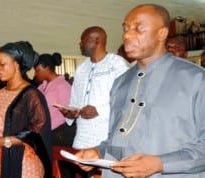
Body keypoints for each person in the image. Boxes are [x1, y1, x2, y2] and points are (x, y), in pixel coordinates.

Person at [75, 4, 205, 178]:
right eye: (126, 29)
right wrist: (99, 151)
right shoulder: (121, 82)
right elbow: (119, 139)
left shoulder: (196, 79)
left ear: (162, 34)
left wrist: (160, 164)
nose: (127, 35)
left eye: (138, 29)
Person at [0, 41, 52, 178]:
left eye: (2, 64)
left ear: (16, 65)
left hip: (23, 161)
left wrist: (5, 141)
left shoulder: (31, 95)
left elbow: (37, 131)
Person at [61, 26, 129, 150]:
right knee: (78, 166)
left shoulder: (117, 64)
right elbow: (75, 98)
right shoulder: (81, 68)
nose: (80, 43)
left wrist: (99, 111)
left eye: (83, 40)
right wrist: (71, 113)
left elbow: (126, 99)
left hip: (106, 132)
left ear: (97, 41)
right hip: (83, 133)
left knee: (104, 167)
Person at [34, 52, 72, 132]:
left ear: (47, 69)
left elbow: (65, 114)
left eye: (38, 70)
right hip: (41, 129)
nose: (35, 74)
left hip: (55, 131)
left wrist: (47, 127)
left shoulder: (63, 86)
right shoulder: (41, 87)